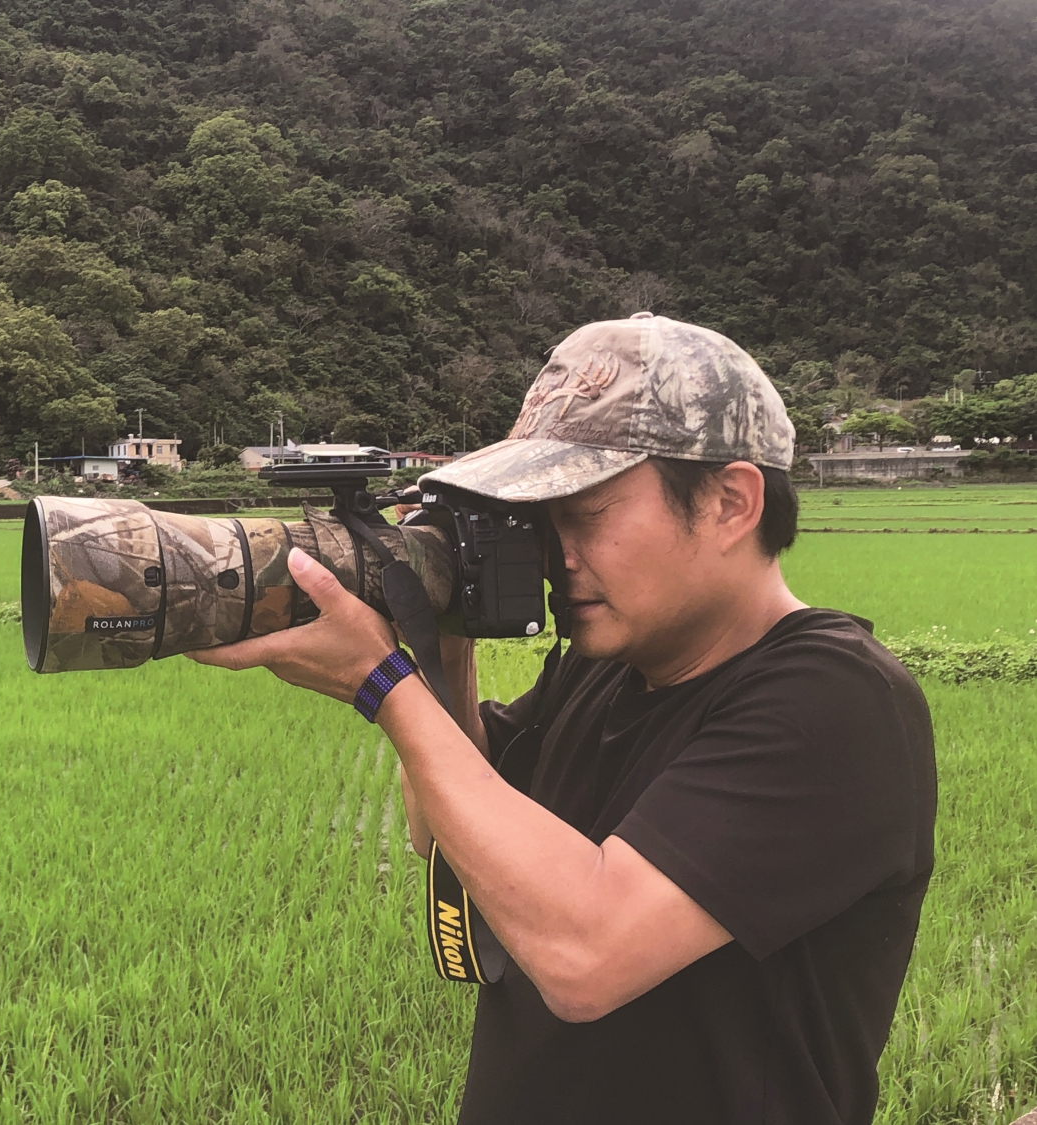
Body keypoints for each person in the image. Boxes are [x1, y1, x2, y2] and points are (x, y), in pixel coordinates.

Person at [191, 312, 937, 1124]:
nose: (557, 553)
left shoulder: (835, 698)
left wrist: (384, 684)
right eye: (544, 521)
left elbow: (587, 955)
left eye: (586, 513)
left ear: (729, 502)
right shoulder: (603, 663)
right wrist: (438, 632)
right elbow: (451, 830)